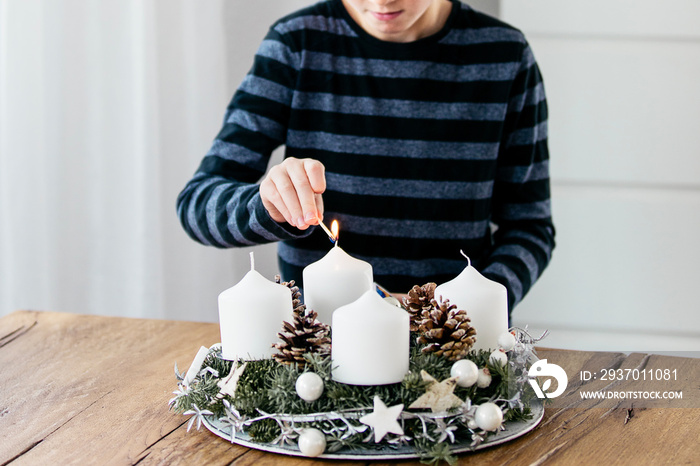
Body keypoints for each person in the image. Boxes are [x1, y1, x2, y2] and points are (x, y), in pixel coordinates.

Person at [177, 0, 555, 313]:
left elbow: (530, 229)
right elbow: (197, 204)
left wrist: (472, 304)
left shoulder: (506, 56)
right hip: (316, 351)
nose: (381, 1)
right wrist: (266, 207)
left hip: (451, 346)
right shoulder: (297, 45)